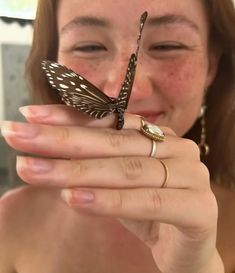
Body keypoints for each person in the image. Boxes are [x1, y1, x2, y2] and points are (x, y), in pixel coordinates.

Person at [0, 0, 235, 272]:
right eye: (89, 47)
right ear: (54, 61)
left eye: (167, 46)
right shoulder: (8, 221)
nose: (132, 92)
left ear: (211, 66)